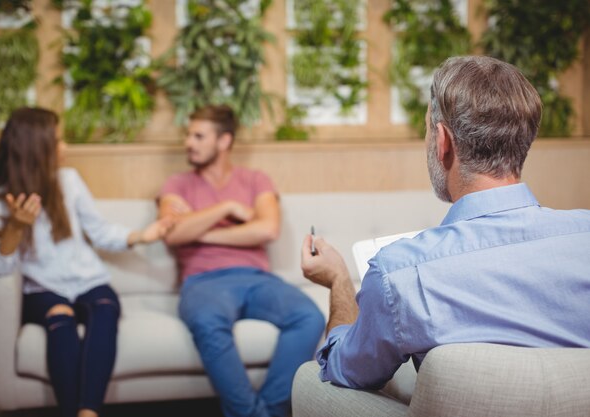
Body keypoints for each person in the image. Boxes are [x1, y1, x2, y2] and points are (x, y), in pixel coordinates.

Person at [300, 55, 590, 390]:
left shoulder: (400, 275)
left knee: (309, 380)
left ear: (443, 141)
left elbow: (345, 371)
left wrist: (339, 281)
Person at [0, 107, 171, 417]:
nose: (66, 148)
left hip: (88, 280)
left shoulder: (69, 181)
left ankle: (87, 412)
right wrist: (16, 227)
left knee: (105, 309)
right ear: (36, 148)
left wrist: (143, 234)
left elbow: (99, 231)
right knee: (59, 317)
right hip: (42, 289)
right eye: (59, 140)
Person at [157, 104, 325, 417]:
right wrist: (227, 209)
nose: (188, 143)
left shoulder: (255, 180)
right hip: (203, 282)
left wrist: (197, 230)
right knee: (208, 322)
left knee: (309, 316)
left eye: (198, 136)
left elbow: (267, 228)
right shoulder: (177, 184)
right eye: (188, 135)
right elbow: (172, 233)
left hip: (257, 278)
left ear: (224, 141)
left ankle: (271, 410)